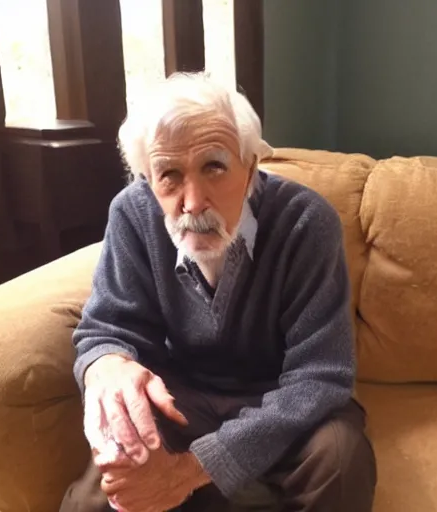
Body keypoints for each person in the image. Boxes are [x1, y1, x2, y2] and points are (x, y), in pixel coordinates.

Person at [59, 72, 376, 512]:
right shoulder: (132, 214)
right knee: (104, 489)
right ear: (148, 180)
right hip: (182, 396)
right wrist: (107, 364)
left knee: (340, 461)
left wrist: (199, 466)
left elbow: (323, 374)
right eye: (169, 175)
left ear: (249, 169)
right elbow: (108, 327)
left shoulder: (307, 222)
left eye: (214, 167)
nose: (193, 203)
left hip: (283, 398)